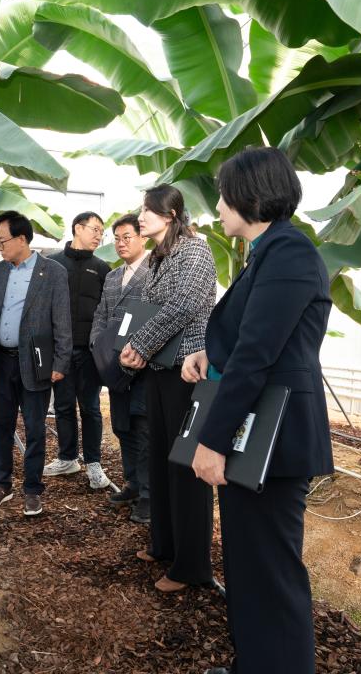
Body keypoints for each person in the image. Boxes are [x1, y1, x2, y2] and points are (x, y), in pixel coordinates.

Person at [184, 147, 333, 674]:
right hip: (259, 435)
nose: (218, 207)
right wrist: (210, 353)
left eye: (225, 195)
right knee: (249, 566)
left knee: (271, 572)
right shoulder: (266, 253)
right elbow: (252, 338)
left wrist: (211, 440)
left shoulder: (289, 252)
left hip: (276, 439)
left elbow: (257, 354)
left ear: (250, 196)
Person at [119, 185, 217, 593]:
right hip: (160, 369)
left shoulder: (195, 251)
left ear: (171, 214)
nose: (141, 216)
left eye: (148, 210)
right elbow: (148, 311)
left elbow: (183, 306)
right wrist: (135, 349)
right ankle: (164, 544)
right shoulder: (159, 257)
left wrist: (140, 345)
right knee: (160, 459)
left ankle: (192, 565)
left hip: (188, 371)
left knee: (185, 466)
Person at [0, 211, 71, 517]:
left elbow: (62, 320)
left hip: (35, 361)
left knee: (34, 428)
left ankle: (32, 490)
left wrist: (61, 362)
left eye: (2, 241)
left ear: (21, 239)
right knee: (0, 425)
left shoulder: (53, 271)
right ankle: (1, 485)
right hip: (1, 361)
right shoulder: (0, 270)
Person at [90, 214, 152, 523]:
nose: (121, 243)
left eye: (127, 237)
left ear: (143, 237)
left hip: (143, 365)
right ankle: (132, 484)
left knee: (143, 429)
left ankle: (148, 495)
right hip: (113, 365)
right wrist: (97, 345)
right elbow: (100, 314)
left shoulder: (155, 271)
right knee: (122, 426)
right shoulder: (113, 276)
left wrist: (137, 353)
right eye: (116, 238)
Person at [44, 212, 111, 488]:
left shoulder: (103, 268)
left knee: (91, 407)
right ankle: (67, 457)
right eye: (95, 229)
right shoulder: (52, 263)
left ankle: (94, 463)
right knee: (63, 405)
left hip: (90, 351)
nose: (99, 236)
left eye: (101, 232)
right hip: (60, 350)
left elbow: (109, 310)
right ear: (77, 229)